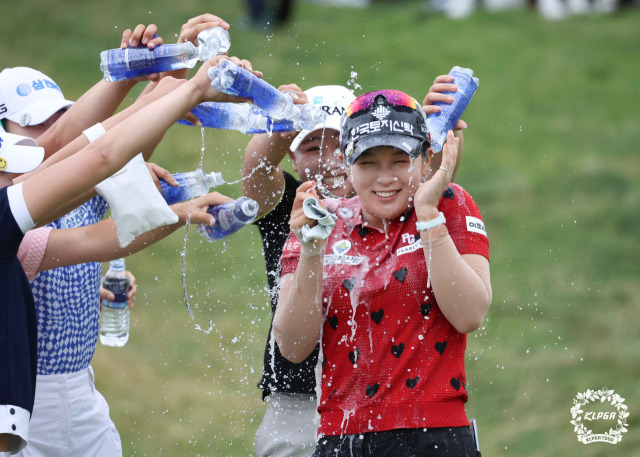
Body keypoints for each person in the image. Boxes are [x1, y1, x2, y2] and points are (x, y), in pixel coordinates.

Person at [0, 51, 255, 456]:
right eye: (33, 126)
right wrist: (185, 90)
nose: (51, 131)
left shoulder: (21, 203)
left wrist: (167, 84)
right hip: (27, 402)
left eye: (57, 117)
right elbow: (94, 159)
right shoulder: (8, 214)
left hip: (78, 392)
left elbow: (89, 150)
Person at [243, 77, 467, 456]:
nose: (329, 159)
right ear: (292, 159)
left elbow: (430, 181)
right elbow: (256, 172)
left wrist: (430, 123)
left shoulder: (396, 199)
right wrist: (280, 119)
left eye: (338, 144)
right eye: (313, 146)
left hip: (387, 408)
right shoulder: (286, 205)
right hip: (298, 401)